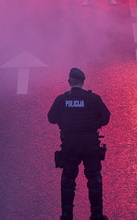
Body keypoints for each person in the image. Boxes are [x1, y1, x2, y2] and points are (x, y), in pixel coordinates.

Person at [48, 68, 111, 220]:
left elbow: (51, 118)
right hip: (90, 144)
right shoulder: (93, 98)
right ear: (83, 82)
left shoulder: (62, 100)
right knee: (94, 179)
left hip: (70, 145)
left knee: (68, 180)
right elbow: (105, 118)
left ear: (69, 82)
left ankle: (67, 216)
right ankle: (96, 215)